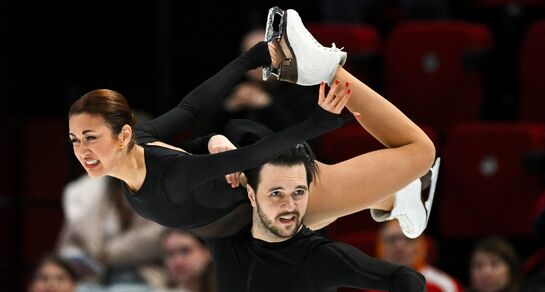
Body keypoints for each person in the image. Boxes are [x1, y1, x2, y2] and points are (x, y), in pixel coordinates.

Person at [67, 8, 436, 240]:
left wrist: (250, 59)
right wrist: (316, 123)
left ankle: (401, 199)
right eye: (75, 140)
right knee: (421, 151)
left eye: (90, 137)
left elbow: (192, 106)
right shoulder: (163, 177)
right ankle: (323, 69)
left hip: (283, 185)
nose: (82, 151)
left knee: (416, 158)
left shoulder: (151, 153)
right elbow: (242, 158)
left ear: (124, 135)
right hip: (294, 198)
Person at [206, 143, 427, 292]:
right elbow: (173, 159)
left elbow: (405, 276)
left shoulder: (318, 258)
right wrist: (213, 140)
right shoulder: (225, 239)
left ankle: (401, 193)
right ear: (252, 195)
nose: (289, 206)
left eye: (298, 193)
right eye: (276, 194)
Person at [57, 174, 166, 292]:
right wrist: (77, 257)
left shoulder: (158, 183)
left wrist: (107, 254)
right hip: (95, 278)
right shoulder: (81, 191)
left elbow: (159, 234)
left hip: (145, 275)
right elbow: (67, 244)